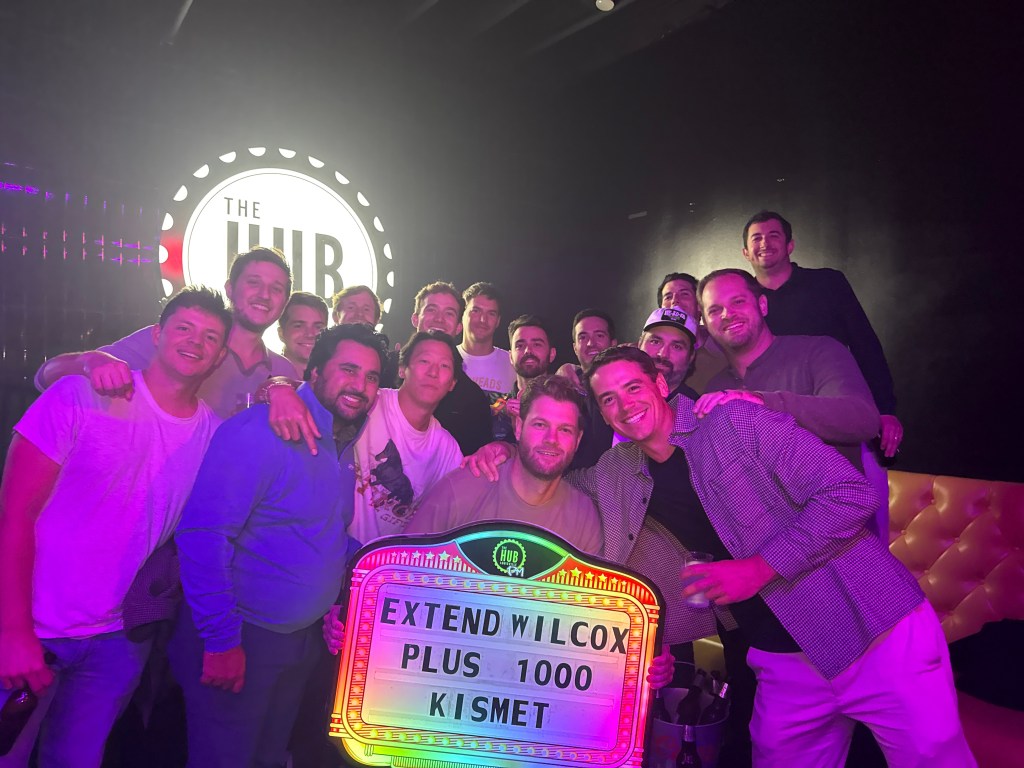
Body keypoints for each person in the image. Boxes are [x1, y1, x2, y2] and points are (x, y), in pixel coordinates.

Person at [570, 345, 972, 767]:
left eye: (633, 387)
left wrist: (760, 569)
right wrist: (523, 437)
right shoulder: (618, 471)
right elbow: (557, 480)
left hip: (873, 631)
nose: (624, 405)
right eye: (608, 399)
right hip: (781, 658)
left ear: (660, 383)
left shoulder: (733, 421)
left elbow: (850, 493)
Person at [0, 286, 232, 768]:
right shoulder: (79, 394)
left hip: (117, 642)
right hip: (35, 627)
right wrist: (13, 631)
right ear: (156, 334)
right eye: (184, 328)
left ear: (220, 357)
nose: (195, 341)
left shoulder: (214, 436)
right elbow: (14, 514)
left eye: (210, 337)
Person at [168, 322, 388, 768]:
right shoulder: (259, 432)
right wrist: (221, 641)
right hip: (242, 637)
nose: (360, 385)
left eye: (371, 377)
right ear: (315, 372)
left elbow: (324, 531)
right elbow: (203, 537)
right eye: (348, 370)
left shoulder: (341, 443)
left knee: (267, 759)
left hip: (299, 644)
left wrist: (387, 569)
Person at [34, 246, 295, 418]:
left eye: (276, 289)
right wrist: (91, 361)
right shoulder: (178, 342)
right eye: (253, 283)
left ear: (285, 301)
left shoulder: (285, 372)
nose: (264, 295)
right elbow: (46, 376)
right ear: (229, 288)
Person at [695, 268, 879, 474]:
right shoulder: (716, 388)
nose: (727, 314)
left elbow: (863, 419)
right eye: (714, 310)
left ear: (762, 305)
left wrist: (763, 402)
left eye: (738, 302)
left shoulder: (818, 352)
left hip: (835, 493)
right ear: (705, 324)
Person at [405, 375, 603, 555]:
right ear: (519, 428)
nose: (551, 439)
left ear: (578, 440)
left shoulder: (584, 519)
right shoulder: (460, 491)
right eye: (540, 425)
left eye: (565, 430)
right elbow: (400, 566)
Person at [348, 330, 464, 545]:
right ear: (402, 368)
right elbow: (318, 394)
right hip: (337, 551)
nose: (433, 372)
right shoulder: (369, 403)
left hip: (392, 561)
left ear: (452, 383)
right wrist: (282, 387)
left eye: (444, 366)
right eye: (424, 361)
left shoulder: (447, 450)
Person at [558, 309, 618, 470]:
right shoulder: (563, 389)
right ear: (575, 347)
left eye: (599, 335)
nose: (591, 343)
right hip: (570, 481)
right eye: (583, 337)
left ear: (613, 343)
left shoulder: (628, 385)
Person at [457, 282, 516, 427]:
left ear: (498, 321)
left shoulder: (513, 364)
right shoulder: (445, 360)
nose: (483, 320)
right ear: (462, 314)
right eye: (476, 311)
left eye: (491, 313)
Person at [657, 272, 726, 394]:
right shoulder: (650, 355)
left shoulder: (725, 346)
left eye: (684, 294)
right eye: (668, 297)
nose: (675, 301)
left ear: (699, 305)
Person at [637, 307, 700, 402]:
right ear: (639, 344)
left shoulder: (696, 409)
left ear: (691, 357)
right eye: (655, 342)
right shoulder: (616, 396)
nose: (663, 354)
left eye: (676, 347)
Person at [277, 291, 329, 377]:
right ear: (281, 333)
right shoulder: (263, 377)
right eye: (299, 326)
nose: (310, 334)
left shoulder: (336, 379)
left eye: (318, 327)